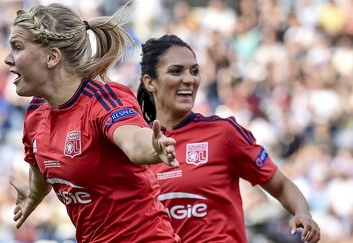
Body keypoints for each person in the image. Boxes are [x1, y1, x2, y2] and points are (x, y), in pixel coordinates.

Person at [4, 3, 181, 242]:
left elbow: (132, 140)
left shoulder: (103, 100)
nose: (7, 59)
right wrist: (33, 195)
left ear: (52, 57)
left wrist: (153, 147)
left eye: (17, 47)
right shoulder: (36, 114)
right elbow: (42, 174)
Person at [137, 35, 321, 243]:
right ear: (149, 82)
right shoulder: (135, 148)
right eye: (176, 71)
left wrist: (302, 213)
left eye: (194, 71)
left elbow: (280, 184)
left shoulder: (223, 133)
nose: (189, 79)